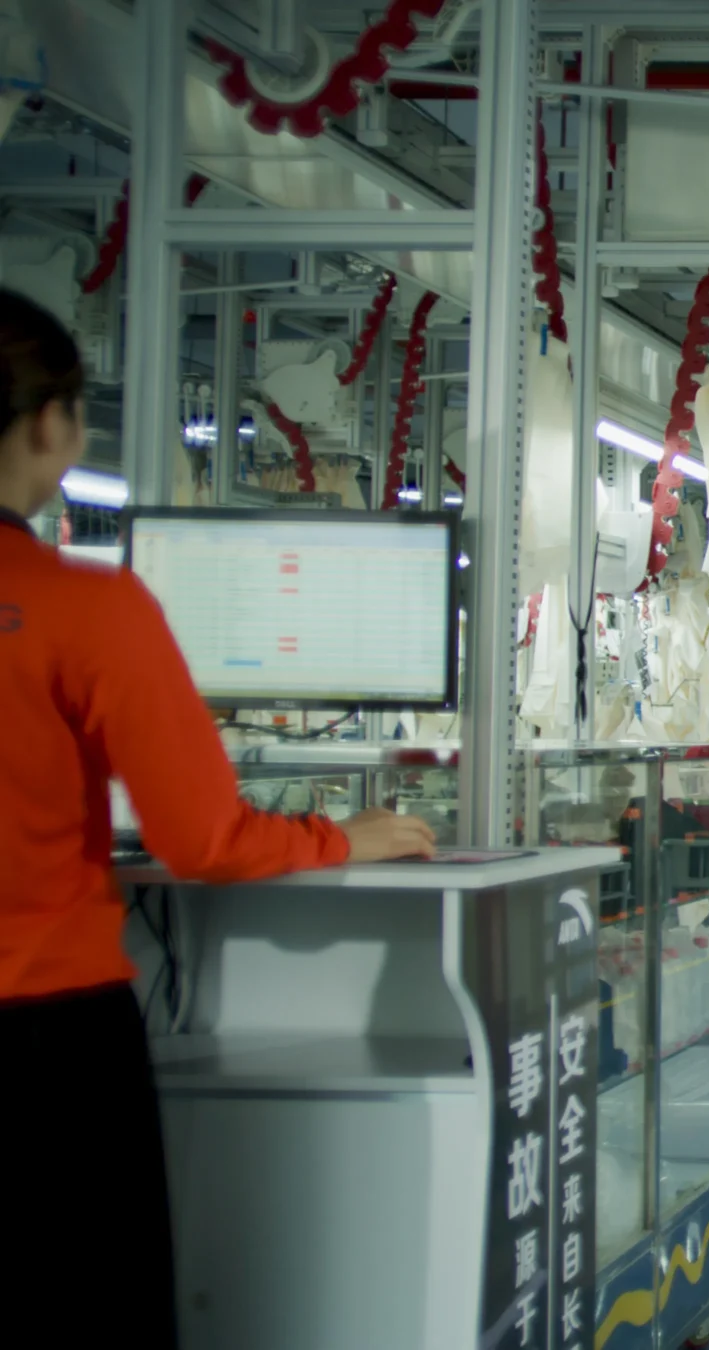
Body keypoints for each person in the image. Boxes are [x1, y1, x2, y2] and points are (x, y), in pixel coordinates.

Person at [0, 288, 438, 1348]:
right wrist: (346, 836)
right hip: (42, 1037)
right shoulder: (87, 609)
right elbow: (201, 837)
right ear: (53, 424)